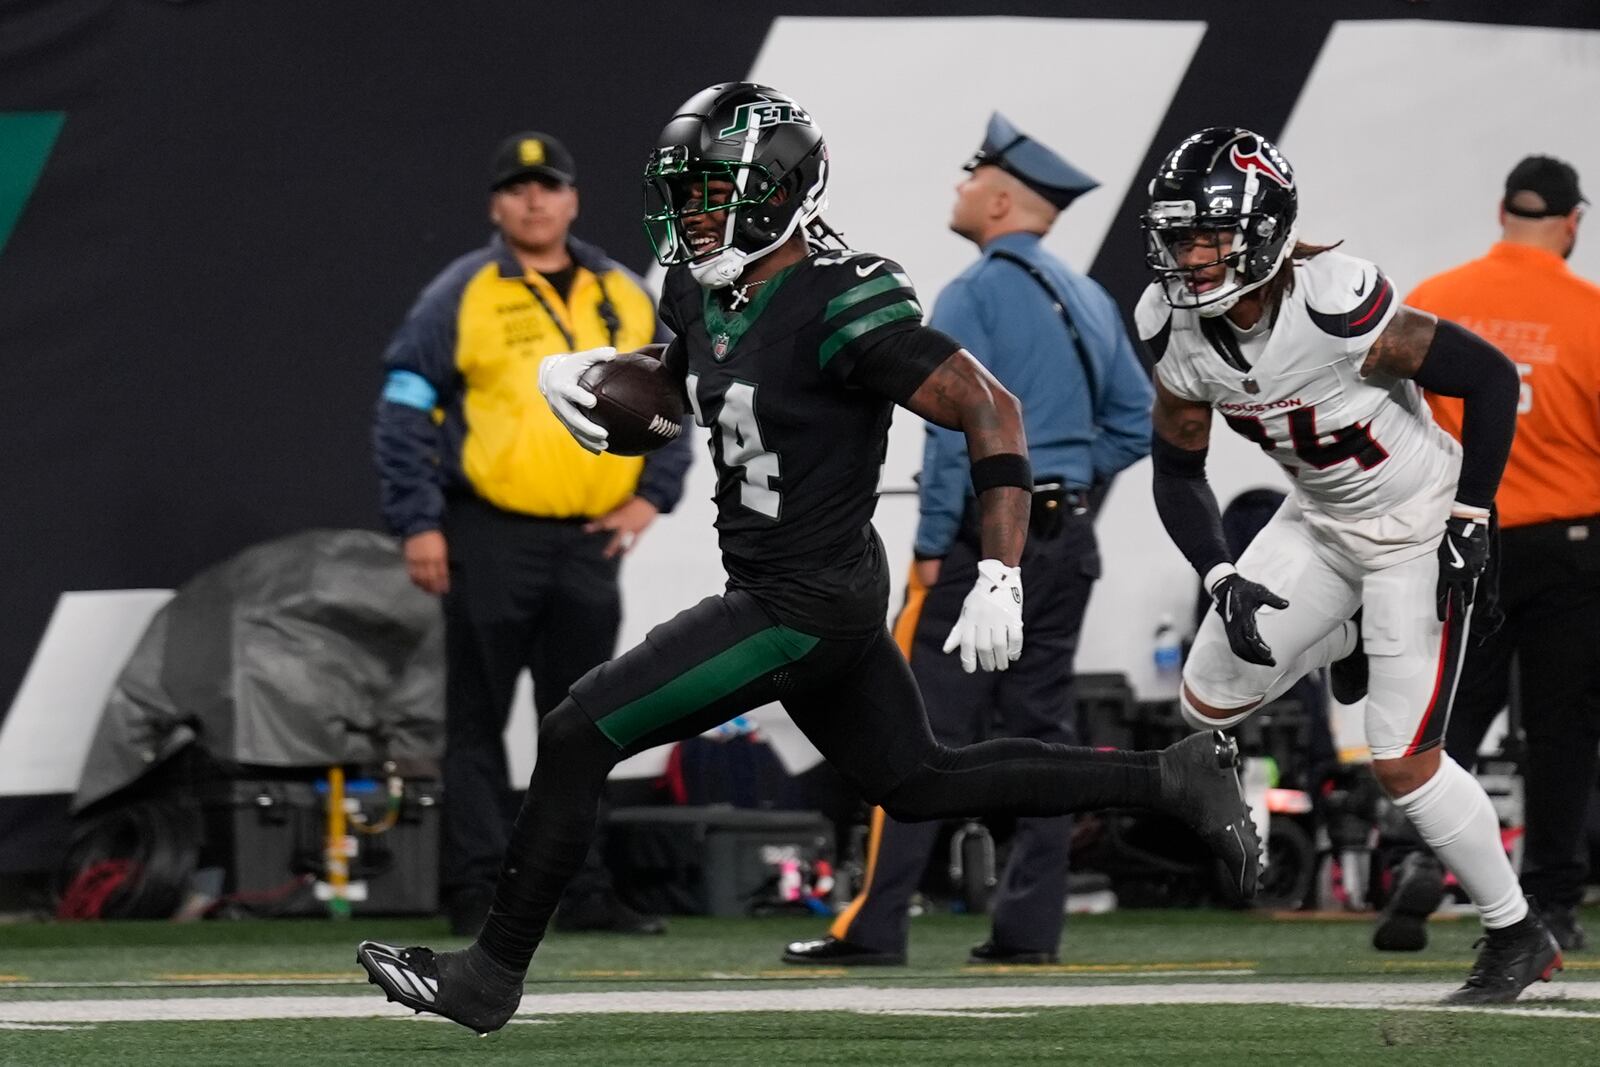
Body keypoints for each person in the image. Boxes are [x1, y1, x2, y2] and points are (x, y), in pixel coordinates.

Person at [356, 83, 1260, 1036]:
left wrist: (998, 570)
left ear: (780, 193)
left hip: (803, 599)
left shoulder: (844, 296)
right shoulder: (701, 289)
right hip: (803, 583)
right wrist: (616, 390)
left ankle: (488, 977)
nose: (694, 215)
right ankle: (1174, 776)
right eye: (686, 194)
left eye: (714, 194)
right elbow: (700, 380)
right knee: (918, 781)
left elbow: (991, 408)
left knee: (581, 729)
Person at [1138, 126, 1563, 1005]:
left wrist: (1471, 512)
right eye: (1177, 236)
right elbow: (1178, 470)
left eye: (1205, 235)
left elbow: (1486, 379)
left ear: (1262, 228)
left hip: (1414, 523)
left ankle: (1517, 931)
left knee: (1402, 762)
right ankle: (1346, 639)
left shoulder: (1335, 302)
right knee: (1206, 696)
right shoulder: (1173, 329)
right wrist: (1220, 574)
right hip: (1321, 519)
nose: (1188, 257)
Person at [783, 114, 1152, 968]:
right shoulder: (1092, 296)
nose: (955, 190)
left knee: (909, 732)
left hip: (976, 548)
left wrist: (932, 540)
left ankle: (875, 924)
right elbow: (1134, 423)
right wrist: (1059, 481)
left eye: (966, 177)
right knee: (1044, 735)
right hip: (1068, 543)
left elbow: (957, 434)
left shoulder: (969, 294)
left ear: (997, 197)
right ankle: (1030, 932)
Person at [372, 130, 692, 938]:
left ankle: (581, 890)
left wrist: (652, 495)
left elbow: (676, 396)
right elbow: (404, 406)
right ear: (496, 205)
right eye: (518, 188)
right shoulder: (464, 291)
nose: (535, 200)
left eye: (548, 185)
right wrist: (418, 521)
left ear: (574, 198)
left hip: (588, 541)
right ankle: (477, 889)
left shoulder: (621, 290)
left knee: (587, 720)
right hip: (490, 536)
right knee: (477, 721)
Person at [1372, 155, 1600, 954]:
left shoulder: (1438, 299)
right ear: (1573, 223)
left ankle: (1414, 855)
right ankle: (1553, 898)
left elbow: (1390, 419)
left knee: (1446, 710)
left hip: (1460, 531)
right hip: (1570, 547)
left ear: (1502, 209)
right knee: (1561, 731)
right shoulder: (1591, 310)